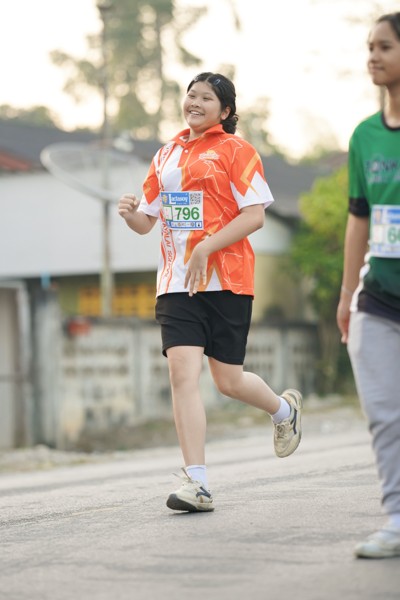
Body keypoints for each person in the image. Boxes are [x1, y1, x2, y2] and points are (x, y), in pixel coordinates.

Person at [118, 72, 302, 513]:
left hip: (227, 280)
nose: (195, 103)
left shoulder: (237, 150)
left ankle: (283, 411)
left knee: (228, 381)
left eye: (206, 97)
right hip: (176, 283)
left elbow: (254, 215)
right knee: (182, 375)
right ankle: (196, 484)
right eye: (191, 95)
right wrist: (131, 215)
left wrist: (207, 246)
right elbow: (148, 222)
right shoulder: (165, 155)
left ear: (225, 110)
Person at [336, 13, 400, 559]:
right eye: (370, 47)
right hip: (379, 295)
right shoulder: (365, 136)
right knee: (383, 412)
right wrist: (345, 296)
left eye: (384, 47)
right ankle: (398, 520)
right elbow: (359, 217)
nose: (372, 56)